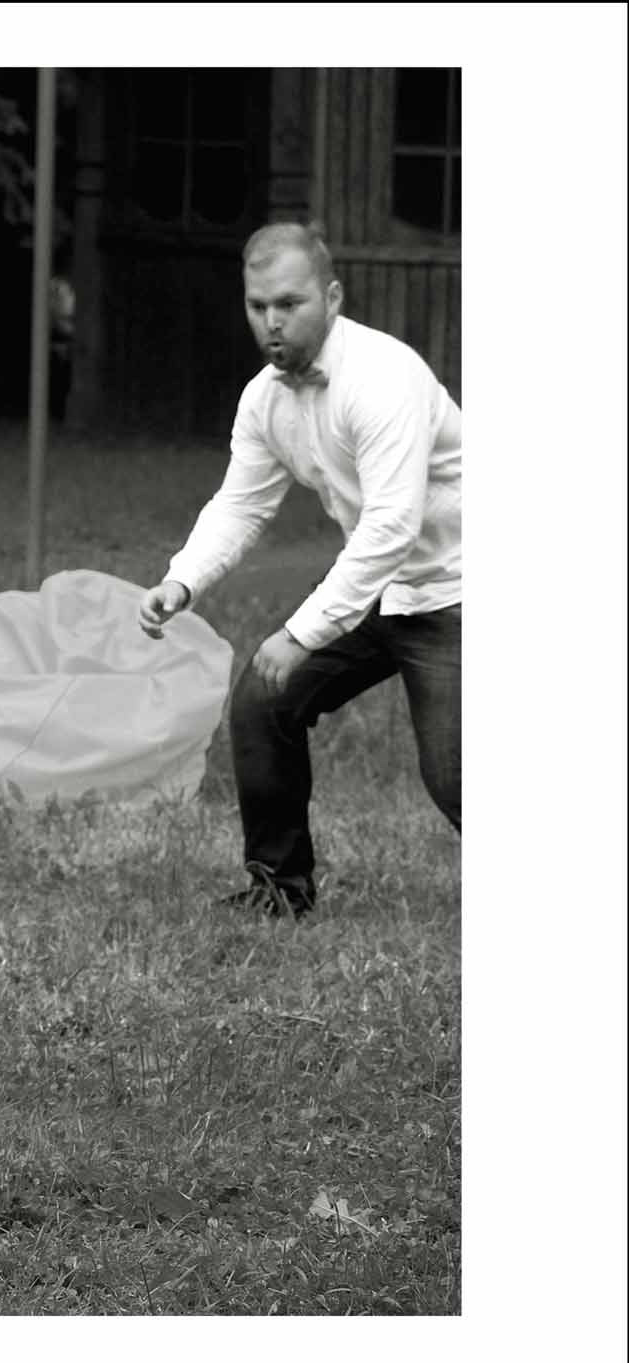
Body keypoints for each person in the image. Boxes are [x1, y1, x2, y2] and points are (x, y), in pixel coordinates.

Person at [138, 222, 460, 918]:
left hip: (461, 590)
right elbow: (239, 505)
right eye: (258, 306)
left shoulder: (382, 377)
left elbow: (389, 527)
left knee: (456, 777)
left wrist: (303, 632)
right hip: (383, 589)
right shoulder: (264, 399)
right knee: (262, 701)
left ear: (332, 296)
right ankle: (278, 891)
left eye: (289, 303)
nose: (272, 322)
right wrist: (181, 579)